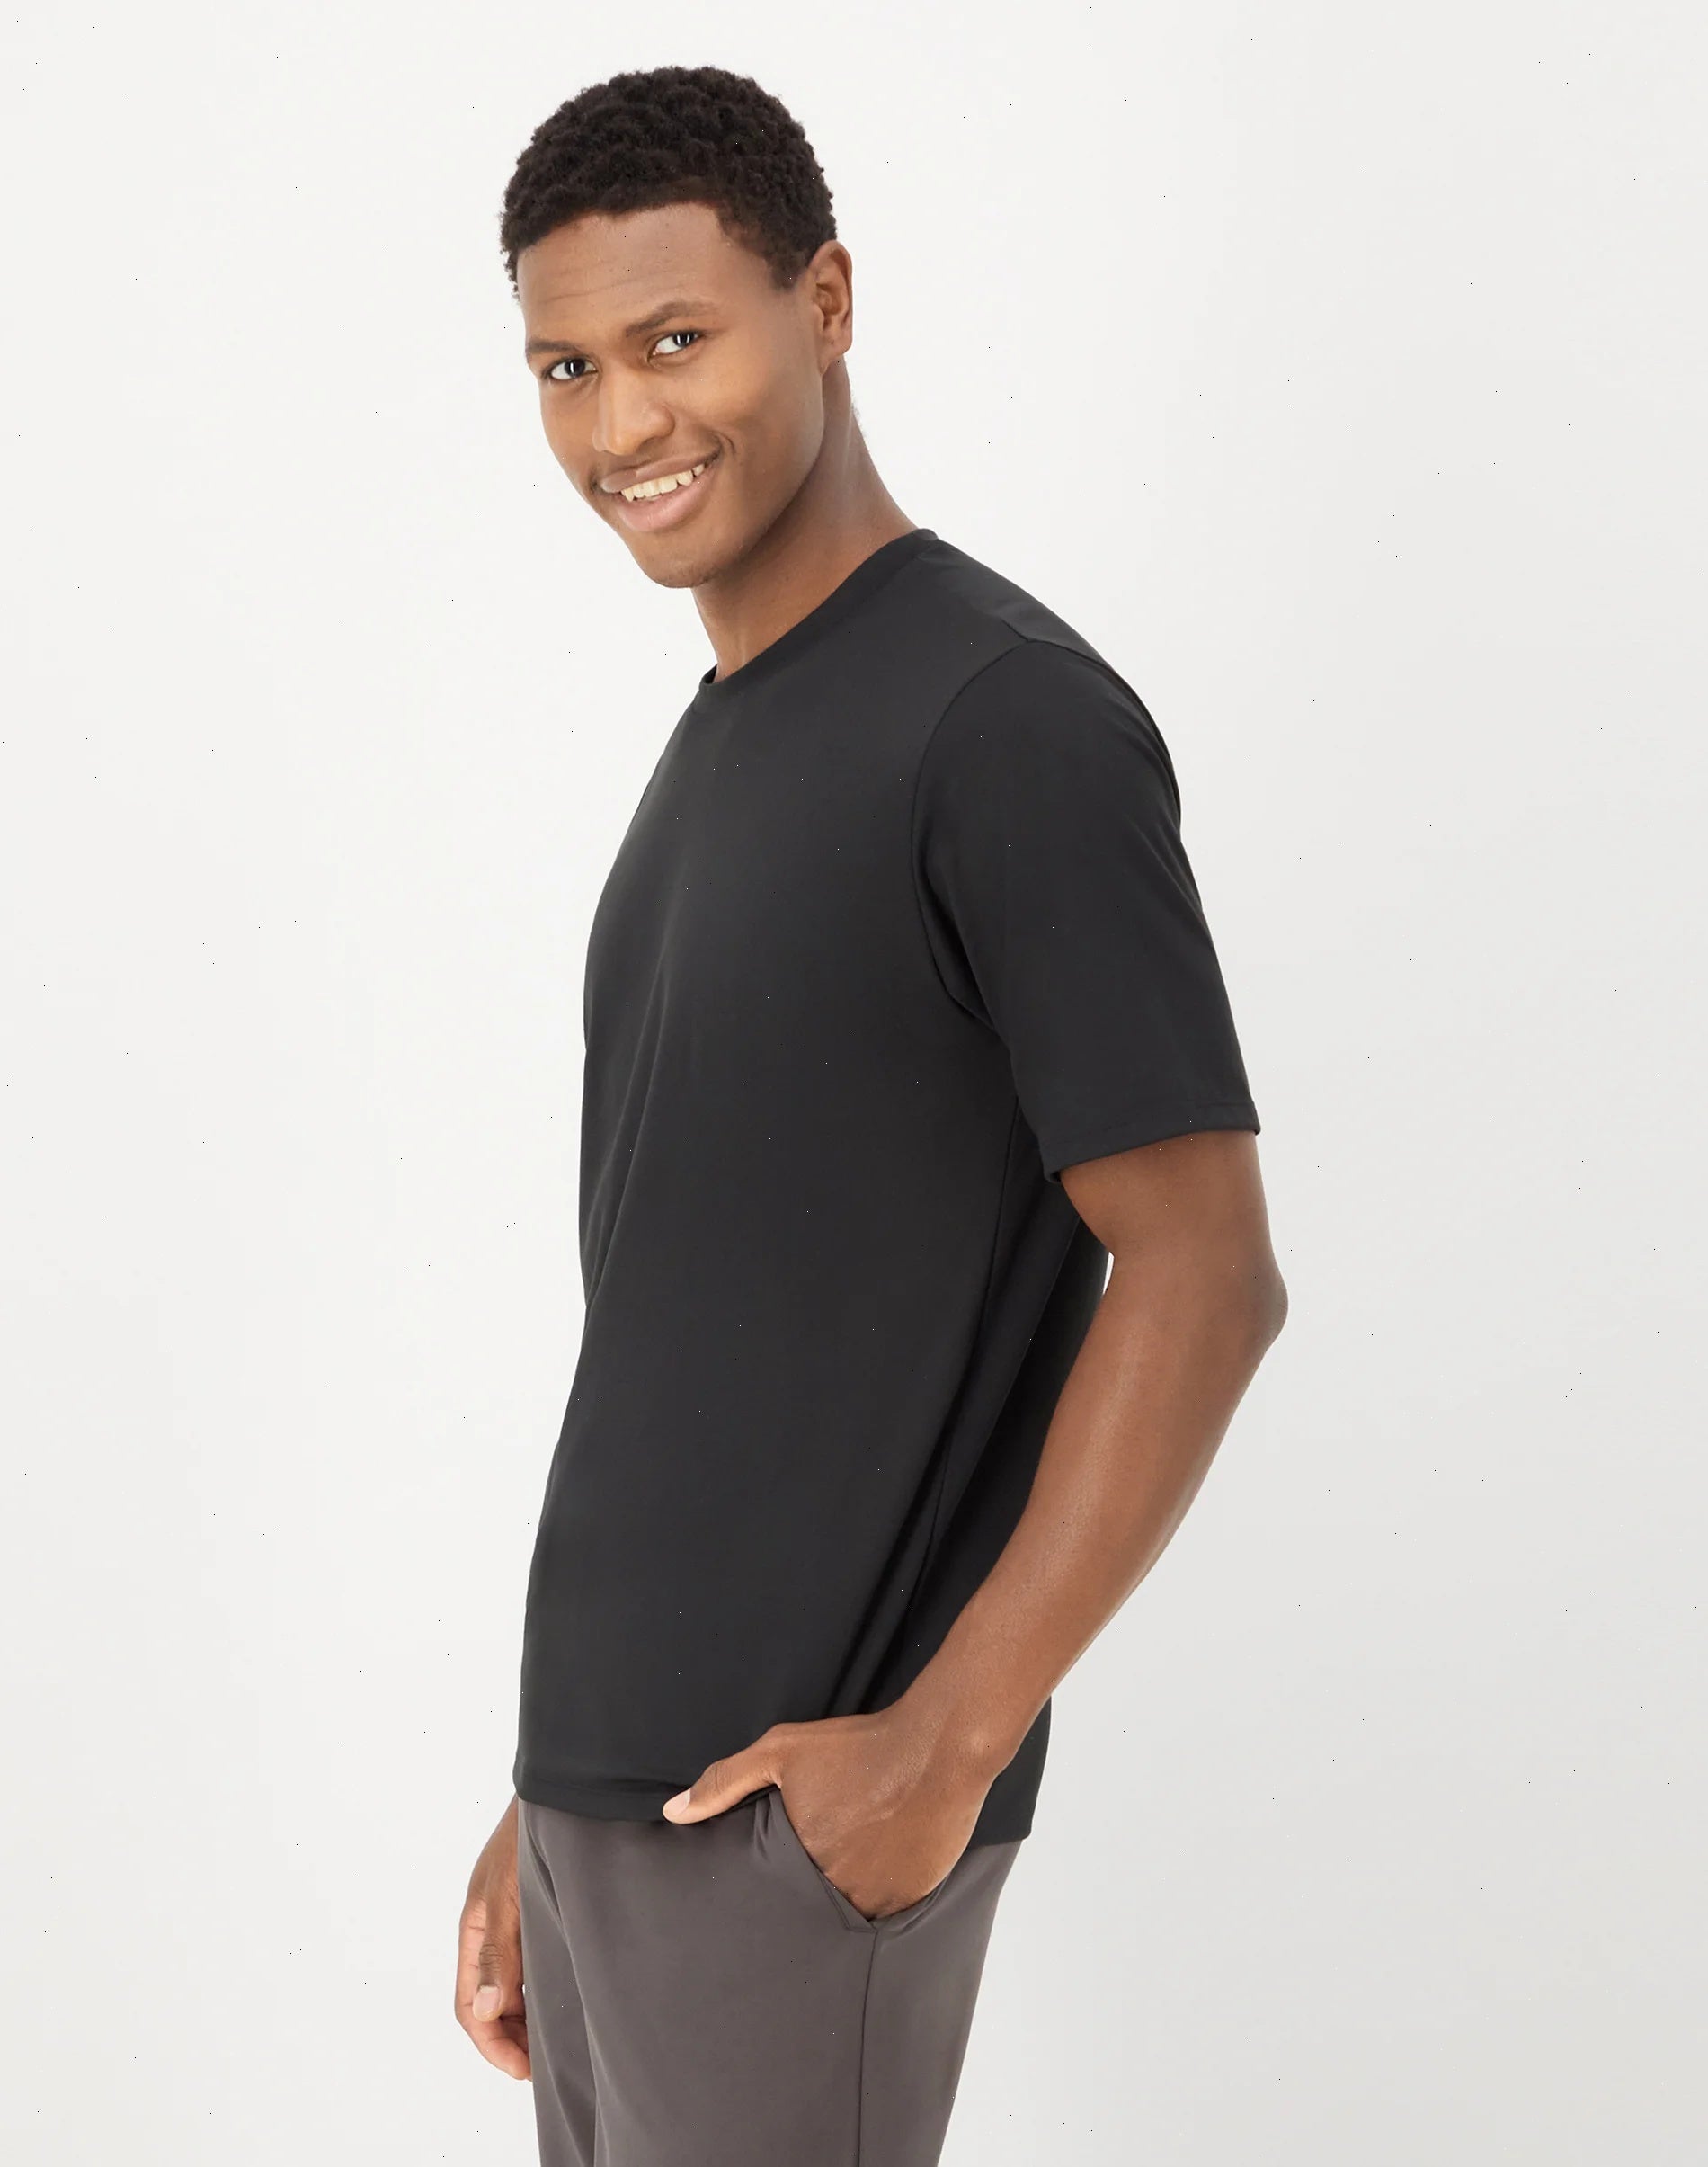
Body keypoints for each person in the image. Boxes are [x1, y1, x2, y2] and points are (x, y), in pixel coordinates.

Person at [455, 63, 1288, 2167]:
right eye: (565, 366)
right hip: (612, 1803)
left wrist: (941, 1741)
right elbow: (690, 1328)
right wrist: (548, 1785)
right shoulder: (712, 755)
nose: (620, 421)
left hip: (794, 1827)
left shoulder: (1002, 724)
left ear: (822, 304)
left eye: (674, 338)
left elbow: (1202, 1270)